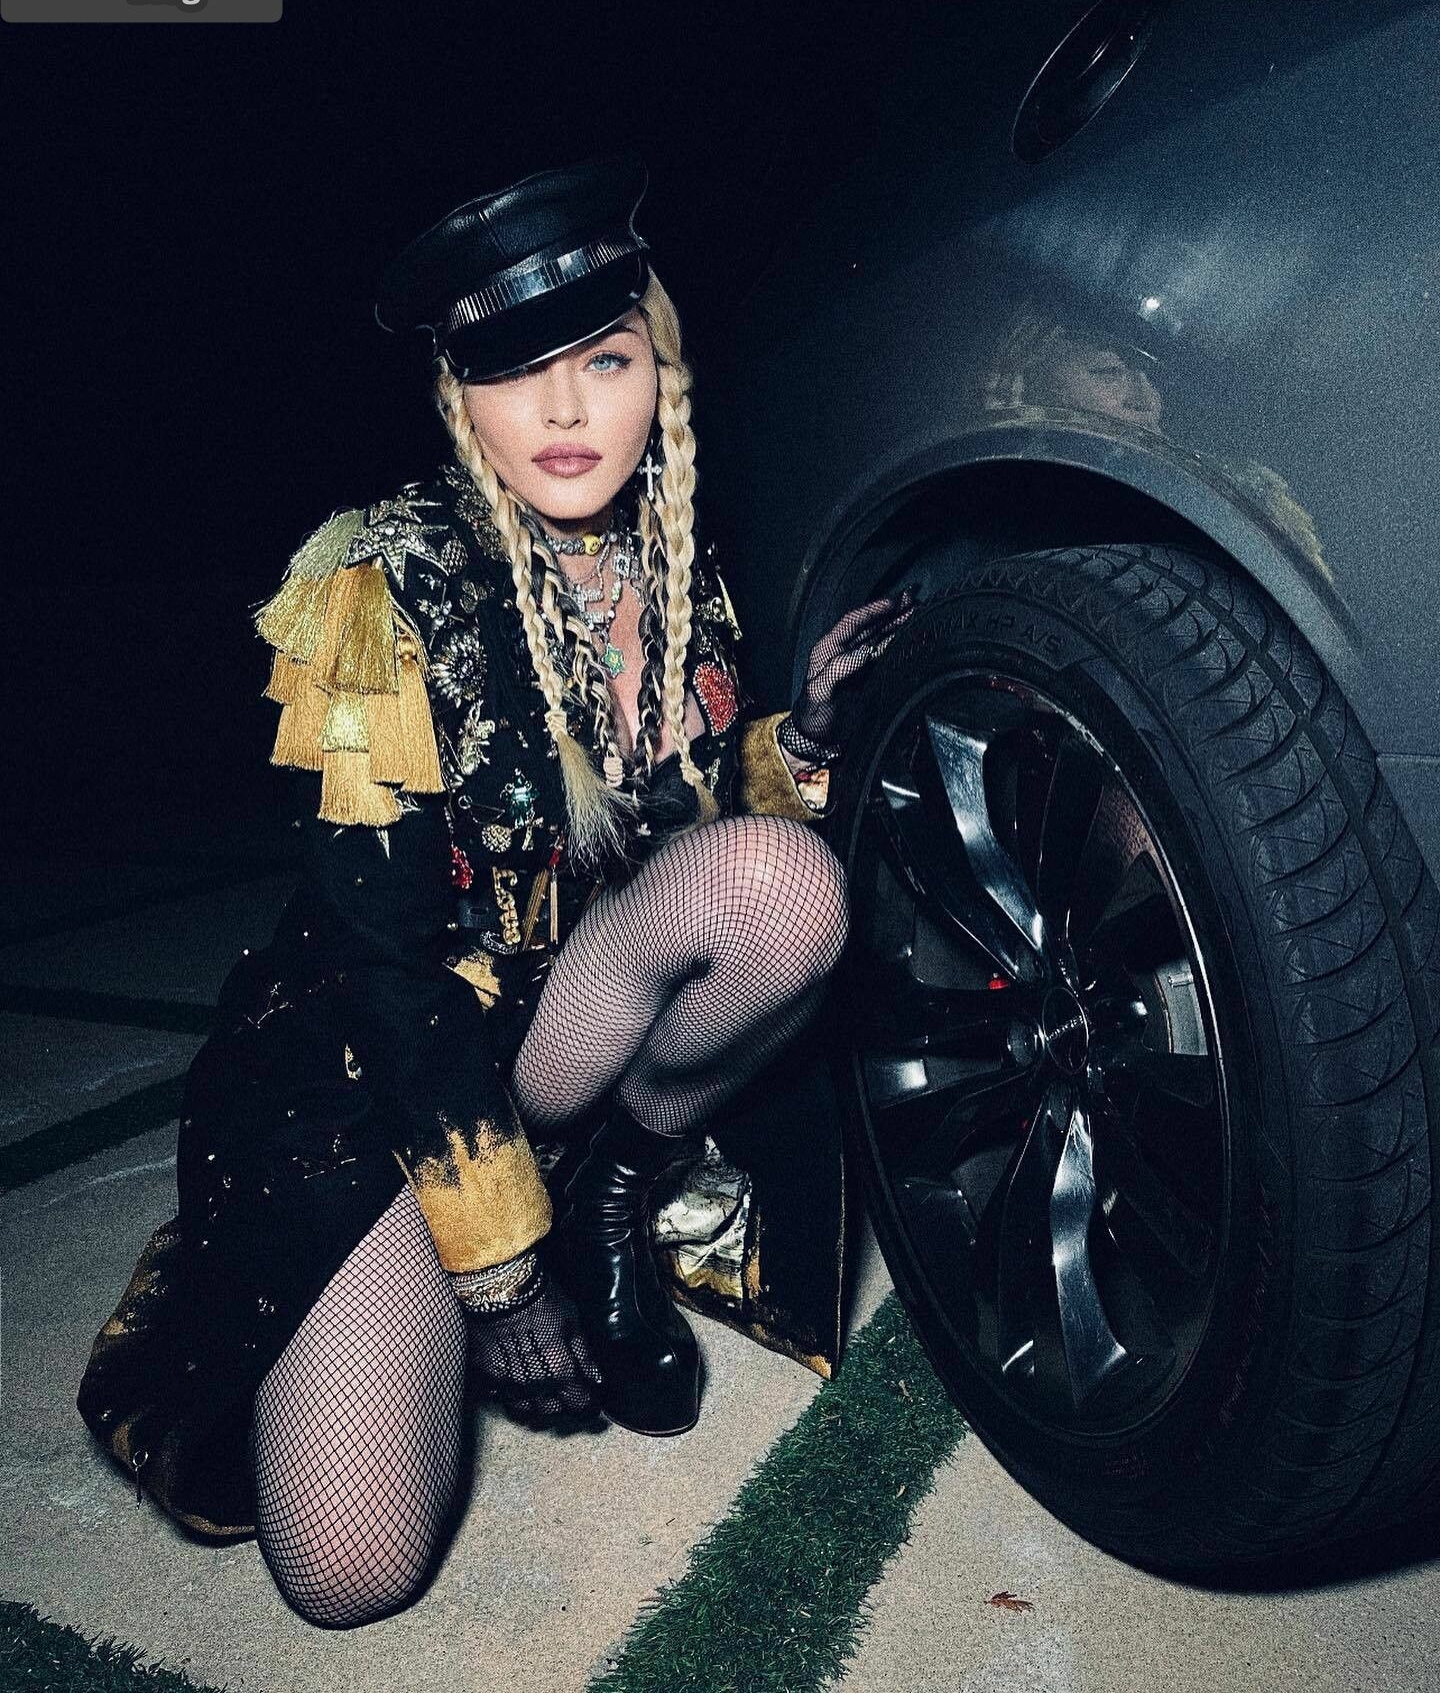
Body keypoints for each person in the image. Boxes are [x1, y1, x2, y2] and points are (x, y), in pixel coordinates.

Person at [76, 152, 913, 1628]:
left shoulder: (679, 560)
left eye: (606, 361)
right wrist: (500, 1280)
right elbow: (388, 974)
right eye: (519, 373)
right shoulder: (377, 589)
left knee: (782, 887)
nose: (569, 412)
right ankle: (406, 1255)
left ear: (662, 372)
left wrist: (801, 745)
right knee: (349, 1573)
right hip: (383, 1087)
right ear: (460, 396)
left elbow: (656, 826)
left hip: (564, 1027)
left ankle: (617, 1199)